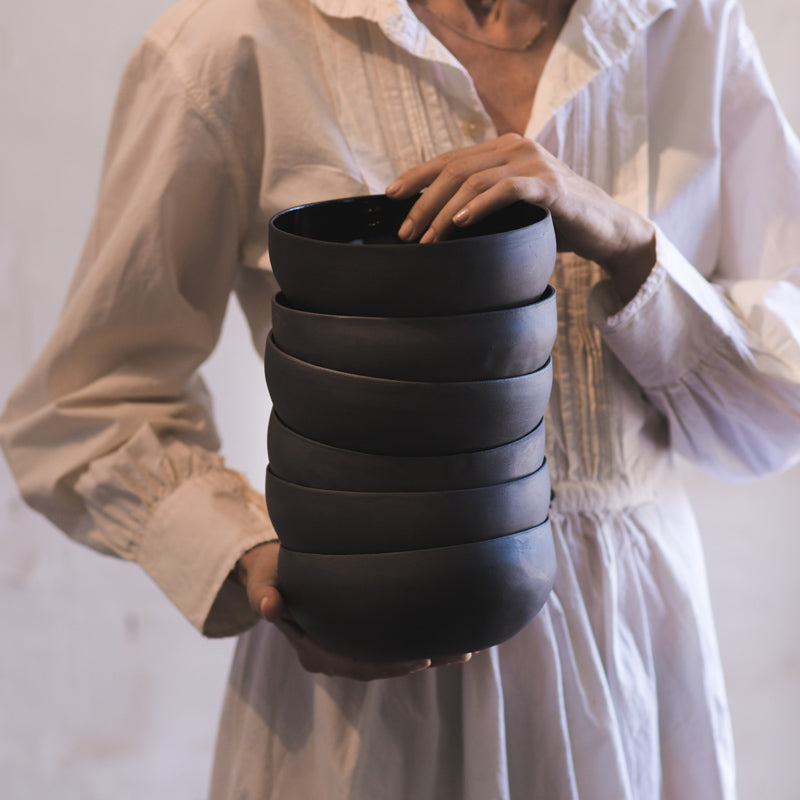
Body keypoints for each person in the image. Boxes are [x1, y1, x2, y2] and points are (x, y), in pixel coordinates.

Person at [2, 0, 800, 796]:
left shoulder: (686, 25)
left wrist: (629, 246)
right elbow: (84, 403)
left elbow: (775, 414)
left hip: (634, 667)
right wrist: (255, 563)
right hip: (363, 688)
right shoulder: (235, 40)